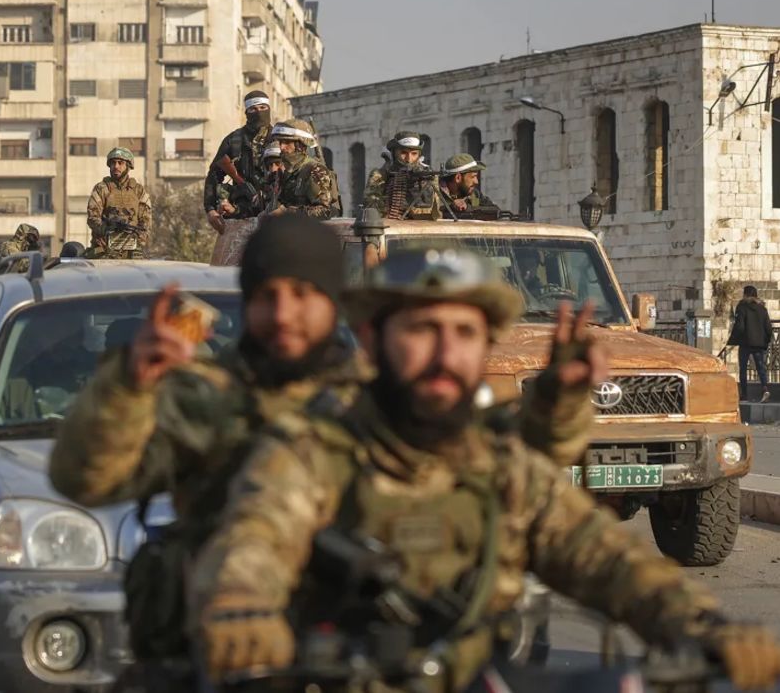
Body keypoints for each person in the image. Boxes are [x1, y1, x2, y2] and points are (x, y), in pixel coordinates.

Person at [189, 248, 780, 692]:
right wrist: (243, 611)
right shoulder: (311, 451)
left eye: (465, 333)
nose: (447, 354)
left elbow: (602, 556)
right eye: (423, 330)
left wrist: (701, 627)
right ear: (371, 337)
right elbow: (255, 537)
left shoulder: (501, 467)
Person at [50, 218, 592, 683]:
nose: (283, 314)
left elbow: (511, 466)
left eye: (303, 294)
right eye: (267, 296)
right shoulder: (203, 399)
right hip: (229, 656)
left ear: (331, 301)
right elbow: (85, 479)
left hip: (367, 654)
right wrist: (126, 390)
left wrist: (558, 401)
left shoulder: (381, 392)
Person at [204, 90, 274, 233]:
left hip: (275, 211)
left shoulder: (279, 138)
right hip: (241, 213)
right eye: (253, 109)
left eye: (263, 108)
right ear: (246, 112)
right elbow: (213, 176)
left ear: (269, 109)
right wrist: (210, 209)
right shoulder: (234, 140)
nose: (259, 112)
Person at [265, 119, 341, 219]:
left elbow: (324, 211)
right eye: (280, 142)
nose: (282, 147)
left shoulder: (314, 170)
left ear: (299, 145)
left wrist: (287, 213)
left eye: (287, 142)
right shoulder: (287, 172)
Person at [86, 147, 151, 259]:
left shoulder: (138, 190)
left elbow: (146, 221)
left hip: (132, 249)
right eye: (113, 163)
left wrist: (138, 238)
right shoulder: (102, 189)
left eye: (120, 163)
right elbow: (92, 217)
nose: (116, 166)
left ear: (128, 166)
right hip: (105, 249)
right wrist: (107, 228)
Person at [364, 130, 441, 220]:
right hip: (391, 225)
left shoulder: (428, 175)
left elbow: (435, 208)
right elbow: (370, 205)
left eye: (414, 154)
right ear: (394, 153)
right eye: (404, 153)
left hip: (421, 225)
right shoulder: (380, 175)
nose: (409, 159)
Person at [723, 285, 773, 402]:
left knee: (743, 369)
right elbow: (769, 329)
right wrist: (765, 342)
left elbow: (739, 327)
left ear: (745, 295)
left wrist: (733, 340)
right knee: (761, 368)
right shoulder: (762, 309)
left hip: (745, 343)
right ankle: (765, 389)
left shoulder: (742, 307)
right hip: (759, 344)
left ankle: (744, 395)